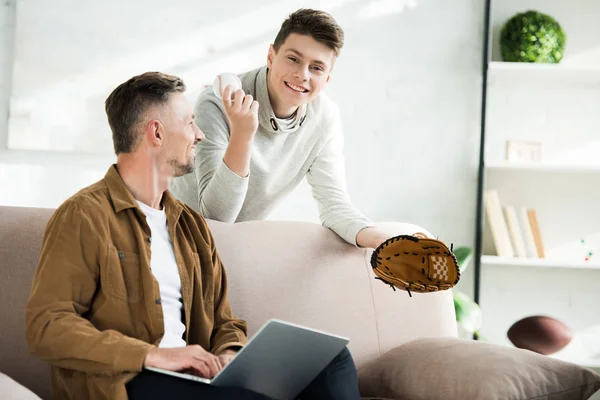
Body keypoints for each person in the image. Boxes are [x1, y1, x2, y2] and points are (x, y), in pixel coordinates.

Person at [25, 72, 361, 400]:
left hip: (196, 381)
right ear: (156, 133)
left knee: (333, 361)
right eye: (189, 123)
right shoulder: (84, 215)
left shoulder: (190, 226)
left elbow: (225, 323)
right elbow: (47, 326)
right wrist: (152, 355)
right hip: (128, 382)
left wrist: (230, 355)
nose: (199, 135)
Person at [170, 9, 393, 249]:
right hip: (180, 238)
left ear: (327, 78)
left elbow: (334, 205)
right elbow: (215, 217)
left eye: (316, 68)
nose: (302, 75)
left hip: (238, 248)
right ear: (270, 56)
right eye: (293, 59)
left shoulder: (324, 118)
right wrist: (243, 135)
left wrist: (382, 240)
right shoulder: (217, 102)